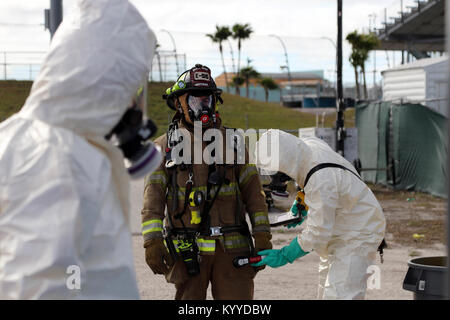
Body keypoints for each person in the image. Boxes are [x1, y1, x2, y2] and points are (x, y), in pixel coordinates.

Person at [0, 0, 160, 299]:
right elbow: (45, 287)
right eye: (131, 88)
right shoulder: (62, 158)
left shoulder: (21, 137)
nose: (134, 105)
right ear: (110, 82)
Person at [141, 64, 272, 300]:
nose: (203, 107)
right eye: (194, 100)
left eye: (208, 100)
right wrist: (152, 241)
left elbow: (255, 195)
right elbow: (153, 198)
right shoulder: (164, 147)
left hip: (232, 251)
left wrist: (262, 235)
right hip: (188, 253)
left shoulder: (234, 143)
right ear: (179, 104)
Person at [253, 129, 386, 300]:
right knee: (325, 292)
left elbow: (318, 232)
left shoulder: (321, 181)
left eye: (277, 173)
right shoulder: (310, 146)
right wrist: (302, 199)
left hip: (358, 233)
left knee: (341, 295)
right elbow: (309, 170)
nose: (278, 178)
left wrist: (285, 255)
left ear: (286, 163)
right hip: (341, 226)